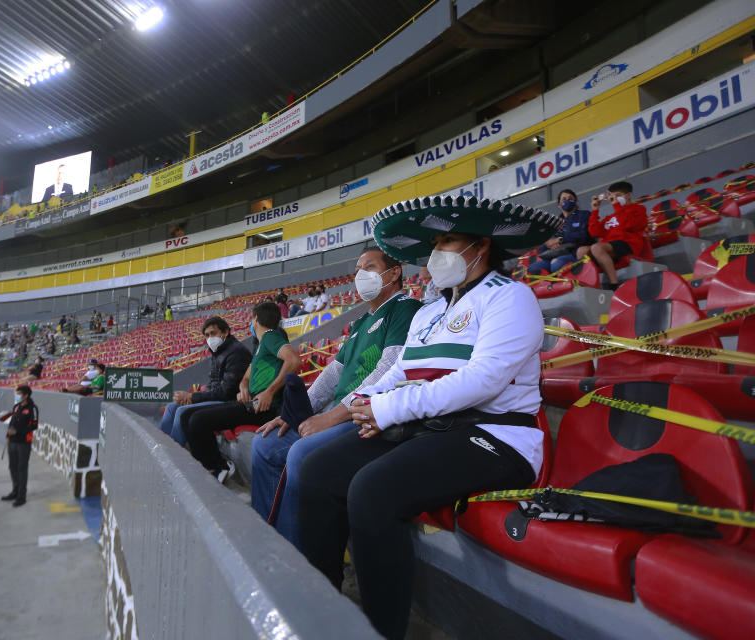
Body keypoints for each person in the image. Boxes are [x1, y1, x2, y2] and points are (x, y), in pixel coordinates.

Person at [296, 195, 562, 639]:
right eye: (435, 241)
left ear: (482, 247)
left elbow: (484, 381)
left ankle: (380, 630)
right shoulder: (432, 310)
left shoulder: (511, 297)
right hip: (429, 427)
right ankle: (322, 608)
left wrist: (389, 408)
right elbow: (401, 371)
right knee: (318, 469)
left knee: (372, 489)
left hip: (494, 436)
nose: (438, 251)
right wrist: (363, 402)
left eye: (449, 240)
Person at [252, 247, 422, 547]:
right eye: (357, 270)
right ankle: (269, 538)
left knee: (302, 455)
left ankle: (297, 556)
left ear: (394, 273)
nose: (360, 276)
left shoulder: (405, 309)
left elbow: (389, 370)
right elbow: (332, 374)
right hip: (339, 412)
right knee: (265, 443)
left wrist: (333, 416)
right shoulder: (360, 323)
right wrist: (294, 413)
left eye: (369, 267)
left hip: (363, 415)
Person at [182, 302, 300, 483]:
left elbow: (293, 360)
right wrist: (243, 388)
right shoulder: (261, 345)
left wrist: (269, 392)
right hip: (248, 403)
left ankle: (218, 467)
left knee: (197, 420)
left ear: (256, 319)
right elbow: (246, 376)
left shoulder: (270, 336)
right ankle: (210, 465)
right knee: (187, 415)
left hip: (262, 408)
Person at [159, 316, 252, 445]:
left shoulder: (236, 353)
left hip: (230, 402)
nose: (210, 338)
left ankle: (174, 455)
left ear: (225, 332)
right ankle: (160, 447)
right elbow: (212, 383)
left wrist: (193, 397)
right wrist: (191, 399)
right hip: (217, 398)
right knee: (171, 407)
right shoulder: (218, 352)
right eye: (207, 335)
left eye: (213, 333)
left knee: (181, 411)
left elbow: (226, 393)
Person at [578, 181, 647, 289]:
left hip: (628, 244)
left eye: (618, 196)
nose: (615, 199)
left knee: (597, 247)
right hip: (609, 248)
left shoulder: (638, 209)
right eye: (612, 196)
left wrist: (616, 205)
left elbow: (628, 225)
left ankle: (614, 284)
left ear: (629, 195)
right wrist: (595, 211)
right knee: (581, 251)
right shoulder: (610, 217)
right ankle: (591, 286)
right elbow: (594, 232)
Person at [528, 189, 593, 275]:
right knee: (533, 268)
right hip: (554, 255)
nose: (567, 201)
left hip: (575, 253)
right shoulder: (554, 222)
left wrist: (560, 240)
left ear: (575, 202)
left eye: (570, 198)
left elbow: (583, 235)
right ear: (559, 205)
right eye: (564, 199)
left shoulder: (584, 215)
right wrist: (548, 244)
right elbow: (542, 249)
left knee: (557, 264)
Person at [0, 385, 39, 507]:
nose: (16, 395)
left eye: (19, 393)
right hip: (12, 442)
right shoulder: (16, 407)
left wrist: (18, 432)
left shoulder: (33, 408)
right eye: (16, 393)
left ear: (26, 395)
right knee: (13, 467)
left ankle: (22, 496)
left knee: (22, 469)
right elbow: (11, 422)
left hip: (23, 443)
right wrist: (8, 434)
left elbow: (34, 426)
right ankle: (15, 491)